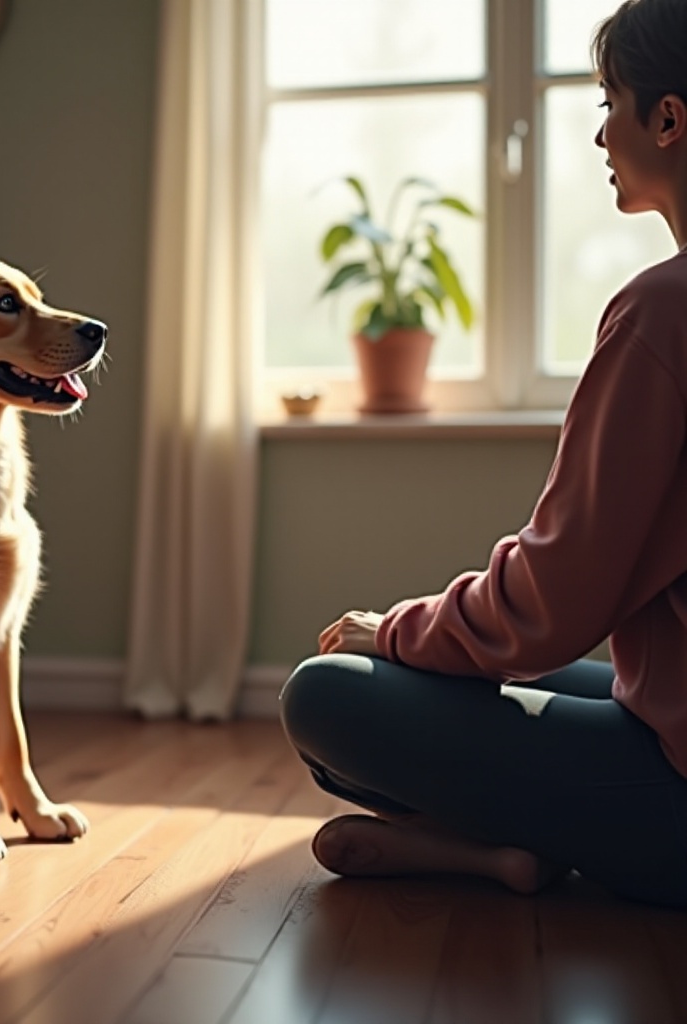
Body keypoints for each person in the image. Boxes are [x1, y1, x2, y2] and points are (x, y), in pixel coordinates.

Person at [279, 0, 687, 910]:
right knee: (509, 674)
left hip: (678, 801)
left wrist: (396, 631)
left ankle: (495, 843)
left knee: (330, 695)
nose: (598, 133)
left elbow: (551, 603)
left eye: (608, 101)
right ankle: (495, 850)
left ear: (669, 118)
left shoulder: (663, 313)